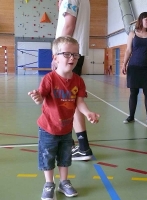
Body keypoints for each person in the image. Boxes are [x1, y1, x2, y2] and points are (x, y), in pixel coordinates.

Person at [28, 36, 100, 200]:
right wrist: (38, 98)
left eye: (75, 55)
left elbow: (79, 101)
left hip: (66, 128)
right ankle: (49, 183)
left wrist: (88, 112)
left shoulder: (78, 81)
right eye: (67, 54)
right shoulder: (49, 79)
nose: (72, 58)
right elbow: (41, 97)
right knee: (48, 156)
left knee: (65, 157)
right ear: (55, 58)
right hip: (48, 128)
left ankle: (64, 182)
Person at [56, 0, 93, 161]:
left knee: (68, 99)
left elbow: (69, 26)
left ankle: (81, 147)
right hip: (74, 52)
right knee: (70, 98)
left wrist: (59, 54)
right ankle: (74, 143)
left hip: (67, 54)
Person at [121, 12, 147, 124]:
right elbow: (128, 50)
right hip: (134, 67)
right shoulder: (132, 34)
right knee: (133, 93)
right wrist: (124, 64)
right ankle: (131, 116)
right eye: (146, 19)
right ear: (141, 20)